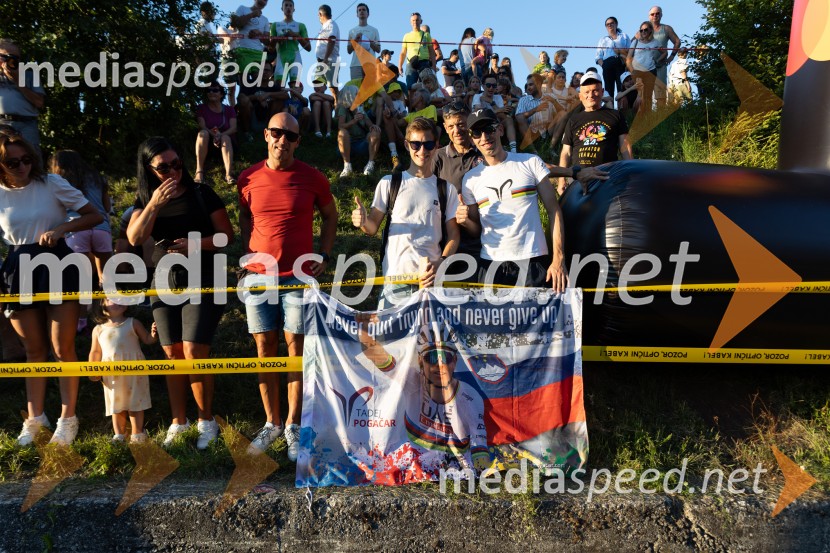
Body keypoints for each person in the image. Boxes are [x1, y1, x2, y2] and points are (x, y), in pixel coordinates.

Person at [237, 112, 337, 457]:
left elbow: (330, 215)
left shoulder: (313, 177)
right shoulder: (247, 177)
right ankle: (271, 424)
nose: (283, 140)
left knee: (297, 352)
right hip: (258, 276)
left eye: (290, 136)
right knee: (265, 351)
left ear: (298, 141)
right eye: (277, 132)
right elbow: (244, 217)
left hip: (297, 276)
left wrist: (324, 253)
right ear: (266, 134)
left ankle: (294, 426)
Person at [127, 137, 233, 449]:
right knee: (171, 353)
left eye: (177, 164)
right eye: (164, 167)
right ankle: (178, 421)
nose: (173, 171)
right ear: (149, 169)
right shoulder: (145, 200)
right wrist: (155, 204)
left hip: (204, 275)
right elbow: (135, 236)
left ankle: (206, 420)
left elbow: (227, 236)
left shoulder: (202, 193)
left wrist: (196, 244)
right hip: (164, 278)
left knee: (193, 351)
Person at [0, 134, 103, 447]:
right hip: (17, 266)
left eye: (27, 159)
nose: (22, 167)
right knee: (33, 351)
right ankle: (35, 418)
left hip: (57, 260)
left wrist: (61, 229)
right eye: (12, 162)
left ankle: (67, 418)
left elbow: (94, 215)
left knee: (63, 348)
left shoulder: (51, 183)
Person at [455, 109, 608, 290]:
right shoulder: (470, 179)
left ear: (501, 130)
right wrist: (464, 221)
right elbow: (476, 230)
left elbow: (554, 211)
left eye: (489, 129)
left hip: (533, 261)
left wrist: (558, 259)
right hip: (491, 264)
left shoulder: (530, 162)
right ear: (472, 139)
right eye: (477, 133)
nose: (484, 137)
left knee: (540, 319)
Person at [352, 117, 460, 308]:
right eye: (415, 144)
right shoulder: (389, 182)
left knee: (429, 339)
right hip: (395, 282)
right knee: (389, 338)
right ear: (406, 145)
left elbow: (453, 235)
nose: (422, 151)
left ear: (436, 146)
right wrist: (362, 221)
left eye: (427, 144)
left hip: (430, 283)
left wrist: (441, 262)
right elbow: (371, 228)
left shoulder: (446, 189)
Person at [356, 317, 489, 472]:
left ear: (455, 361)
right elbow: (374, 353)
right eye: (431, 358)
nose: (439, 366)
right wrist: (363, 327)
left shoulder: (470, 397)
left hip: (453, 465)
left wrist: (485, 478)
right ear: (420, 361)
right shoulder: (411, 380)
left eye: (446, 358)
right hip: (412, 463)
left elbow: (480, 451)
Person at [87, 299, 157, 443]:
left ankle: (137, 434)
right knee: (116, 404)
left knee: (136, 402)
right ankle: (119, 434)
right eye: (111, 299)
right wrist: (93, 370)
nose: (118, 300)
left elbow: (147, 339)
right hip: (111, 373)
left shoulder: (133, 322)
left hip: (135, 371)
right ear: (102, 306)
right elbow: (95, 352)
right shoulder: (98, 329)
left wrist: (153, 335)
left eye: (120, 297)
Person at [559, 72, 632, 194]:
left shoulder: (615, 115)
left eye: (595, 91)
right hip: (578, 178)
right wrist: (562, 181)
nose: (591, 95)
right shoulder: (573, 120)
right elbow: (566, 152)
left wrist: (630, 173)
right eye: (586, 92)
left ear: (602, 92)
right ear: (580, 95)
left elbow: (625, 146)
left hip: (607, 176)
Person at [48, 150, 113, 288]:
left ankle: (85, 308)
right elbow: (107, 207)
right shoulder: (98, 178)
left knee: (80, 279)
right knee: (106, 278)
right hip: (101, 228)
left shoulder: (58, 182)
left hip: (76, 230)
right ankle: (108, 307)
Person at [433, 101, 483, 266]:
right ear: (445, 128)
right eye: (451, 126)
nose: (457, 130)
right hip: (447, 241)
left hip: (483, 239)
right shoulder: (437, 157)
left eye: (461, 124)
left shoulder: (484, 151)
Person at [0, 40, 45, 149]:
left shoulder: (30, 75)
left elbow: (39, 102)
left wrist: (18, 80)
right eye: (6, 56)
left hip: (27, 124)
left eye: (16, 57)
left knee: (32, 158)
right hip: (2, 124)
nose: (11, 60)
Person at [195, 82, 237, 185]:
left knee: (226, 137)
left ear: (221, 94)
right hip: (208, 142)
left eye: (215, 90)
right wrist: (214, 135)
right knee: (203, 133)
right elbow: (202, 125)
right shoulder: (201, 108)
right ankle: (199, 171)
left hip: (227, 144)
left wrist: (220, 135)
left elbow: (234, 128)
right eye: (209, 90)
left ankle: (229, 174)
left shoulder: (229, 109)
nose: (211, 92)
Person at [336, 85, 381, 177]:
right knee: (342, 133)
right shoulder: (343, 108)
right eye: (356, 94)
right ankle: (347, 165)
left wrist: (373, 127)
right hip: (347, 144)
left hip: (361, 143)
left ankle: (370, 163)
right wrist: (354, 121)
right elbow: (340, 126)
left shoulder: (360, 108)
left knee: (375, 132)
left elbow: (369, 125)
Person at [472, 73, 517, 153]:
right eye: (488, 85)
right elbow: (480, 113)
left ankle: (513, 149)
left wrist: (491, 102)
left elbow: (501, 113)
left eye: (494, 85)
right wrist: (498, 110)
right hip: (482, 124)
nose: (491, 88)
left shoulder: (498, 97)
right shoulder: (477, 96)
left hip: (496, 122)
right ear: (483, 86)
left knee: (508, 120)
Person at [646, 5, 681, 108]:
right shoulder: (644, 29)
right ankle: (646, 119)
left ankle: (660, 117)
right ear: (649, 16)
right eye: (652, 14)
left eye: (657, 13)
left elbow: (677, 42)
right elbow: (633, 43)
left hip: (660, 66)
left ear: (661, 15)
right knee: (645, 95)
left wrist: (672, 56)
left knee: (660, 95)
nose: (655, 16)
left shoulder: (666, 28)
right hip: (646, 67)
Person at [271, 0, 311, 85]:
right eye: (286, 5)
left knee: (295, 86)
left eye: (290, 6)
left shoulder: (300, 25)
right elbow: (270, 48)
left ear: (294, 9)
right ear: (282, 8)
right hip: (280, 57)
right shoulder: (275, 25)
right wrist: (277, 39)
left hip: (295, 57)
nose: (288, 7)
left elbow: (308, 47)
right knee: (279, 86)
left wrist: (296, 35)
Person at [229, 0, 271, 82]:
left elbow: (267, 41)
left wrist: (259, 34)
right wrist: (252, 15)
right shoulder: (242, 8)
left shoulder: (265, 19)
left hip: (259, 53)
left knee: (258, 82)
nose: (262, 1)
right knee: (244, 81)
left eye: (265, 0)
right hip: (242, 50)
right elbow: (234, 23)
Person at [595, 16, 630, 103]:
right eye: (607, 24)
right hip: (607, 64)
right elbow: (598, 56)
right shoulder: (602, 39)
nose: (609, 25)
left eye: (611, 23)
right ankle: (609, 112)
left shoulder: (624, 36)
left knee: (621, 88)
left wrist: (627, 65)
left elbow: (630, 51)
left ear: (616, 24)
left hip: (620, 63)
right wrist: (604, 65)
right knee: (608, 89)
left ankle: (622, 112)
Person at [627, 21, 659, 113]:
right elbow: (628, 58)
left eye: (646, 30)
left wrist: (663, 59)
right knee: (637, 95)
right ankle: (634, 117)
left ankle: (647, 118)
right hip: (637, 71)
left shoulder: (655, 42)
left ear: (650, 31)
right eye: (641, 30)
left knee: (648, 95)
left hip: (651, 71)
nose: (643, 32)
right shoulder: (635, 42)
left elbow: (664, 52)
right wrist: (632, 71)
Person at [399, 12, 435, 89]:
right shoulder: (406, 36)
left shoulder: (426, 35)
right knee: (410, 87)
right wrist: (400, 66)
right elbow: (403, 52)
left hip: (424, 63)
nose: (415, 22)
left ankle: (425, 100)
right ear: (410, 22)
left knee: (427, 85)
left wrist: (434, 67)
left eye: (417, 20)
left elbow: (432, 51)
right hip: (411, 63)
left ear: (421, 21)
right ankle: (412, 101)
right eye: (413, 20)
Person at [346, 3, 380, 81]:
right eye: (359, 10)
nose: (361, 11)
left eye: (364, 10)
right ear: (357, 14)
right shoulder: (351, 31)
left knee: (370, 91)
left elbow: (378, 49)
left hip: (370, 64)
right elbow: (349, 50)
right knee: (356, 90)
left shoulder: (374, 30)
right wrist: (356, 40)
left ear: (368, 14)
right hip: (355, 65)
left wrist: (368, 41)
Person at [314, 4, 341, 102]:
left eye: (318, 15)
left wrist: (325, 59)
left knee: (333, 88)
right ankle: (323, 108)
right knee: (318, 86)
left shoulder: (330, 24)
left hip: (329, 61)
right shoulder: (325, 25)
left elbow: (332, 40)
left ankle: (338, 109)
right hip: (322, 61)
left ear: (320, 14)